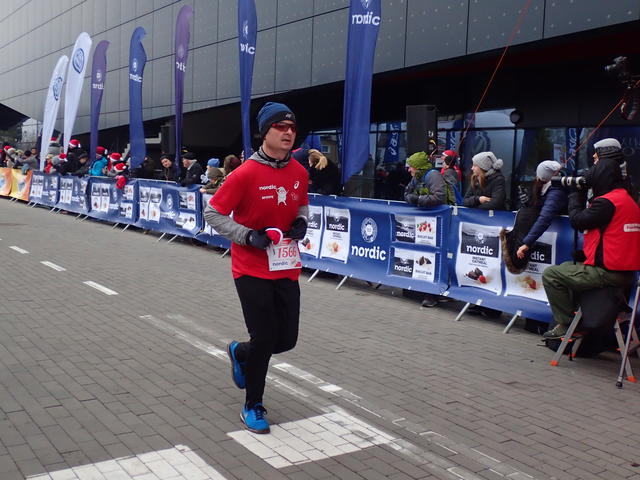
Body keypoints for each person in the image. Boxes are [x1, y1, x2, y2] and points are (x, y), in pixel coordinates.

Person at [203, 102, 309, 434]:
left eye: (292, 127)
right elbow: (213, 213)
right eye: (281, 127)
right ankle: (253, 404)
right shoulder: (245, 173)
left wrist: (302, 222)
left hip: (286, 266)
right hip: (250, 268)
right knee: (264, 337)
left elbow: (302, 204)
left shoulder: (299, 172)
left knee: (286, 339)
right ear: (265, 132)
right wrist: (248, 235)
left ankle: (240, 352)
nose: (289, 133)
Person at [542, 138, 640, 339]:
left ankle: (567, 324)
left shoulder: (607, 202)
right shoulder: (626, 199)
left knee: (551, 274)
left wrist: (574, 194)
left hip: (609, 273)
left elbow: (578, 221)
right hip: (624, 272)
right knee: (568, 267)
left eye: (595, 163)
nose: (592, 165)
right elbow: (609, 236)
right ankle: (578, 319)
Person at [501, 160, 568, 273]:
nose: (536, 177)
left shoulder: (556, 191)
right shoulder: (547, 187)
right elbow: (542, 206)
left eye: (538, 175)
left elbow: (544, 218)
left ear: (543, 178)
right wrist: (529, 202)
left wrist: (527, 243)